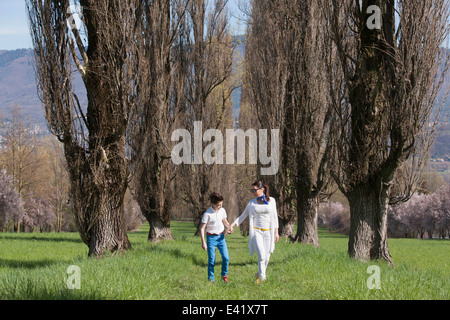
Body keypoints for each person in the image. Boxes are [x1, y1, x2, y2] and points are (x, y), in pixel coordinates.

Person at [230, 181, 279, 284]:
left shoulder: (272, 201)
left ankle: (258, 274)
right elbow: (243, 216)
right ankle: (263, 279)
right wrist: (232, 225)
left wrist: (276, 232)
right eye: (251, 190)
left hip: (269, 233)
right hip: (257, 232)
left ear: (262, 189)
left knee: (266, 257)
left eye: (255, 190)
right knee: (261, 255)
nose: (253, 192)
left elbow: (275, 217)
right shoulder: (252, 203)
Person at [200, 192, 233, 283]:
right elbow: (202, 228)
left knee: (226, 258)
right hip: (211, 239)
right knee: (211, 260)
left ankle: (224, 275)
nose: (220, 206)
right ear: (212, 204)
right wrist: (204, 242)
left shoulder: (222, 210)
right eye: (218, 205)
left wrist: (229, 227)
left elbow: (224, 221)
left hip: (221, 238)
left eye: (221, 204)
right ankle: (211, 279)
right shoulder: (207, 214)